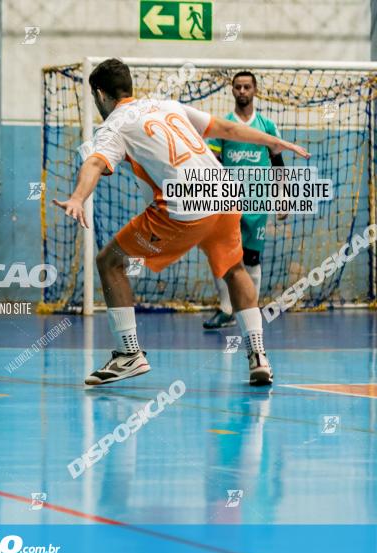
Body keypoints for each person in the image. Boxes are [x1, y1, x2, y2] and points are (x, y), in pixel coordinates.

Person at [52, 59, 309, 386]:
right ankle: (257, 356)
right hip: (223, 194)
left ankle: (129, 354)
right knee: (235, 269)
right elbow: (227, 129)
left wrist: (76, 198)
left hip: (184, 207)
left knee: (110, 262)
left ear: (100, 94)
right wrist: (273, 141)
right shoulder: (165, 105)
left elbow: (93, 163)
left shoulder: (114, 125)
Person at [203, 71, 285, 329]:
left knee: (251, 258)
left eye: (246, 87)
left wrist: (283, 196)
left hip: (258, 203)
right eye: (237, 87)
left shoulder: (267, 126)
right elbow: (213, 163)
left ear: (254, 90)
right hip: (228, 203)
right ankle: (226, 310)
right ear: (232, 90)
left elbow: (278, 164)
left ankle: (250, 310)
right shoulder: (222, 126)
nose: (242, 91)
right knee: (223, 255)